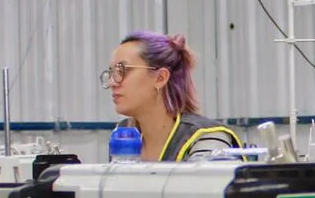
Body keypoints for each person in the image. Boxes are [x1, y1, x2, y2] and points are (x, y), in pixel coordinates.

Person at [102, 31, 239, 161]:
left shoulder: (207, 140)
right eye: (112, 72)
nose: (112, 82)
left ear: (160, 78)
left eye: (123, 70)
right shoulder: (123, 134)